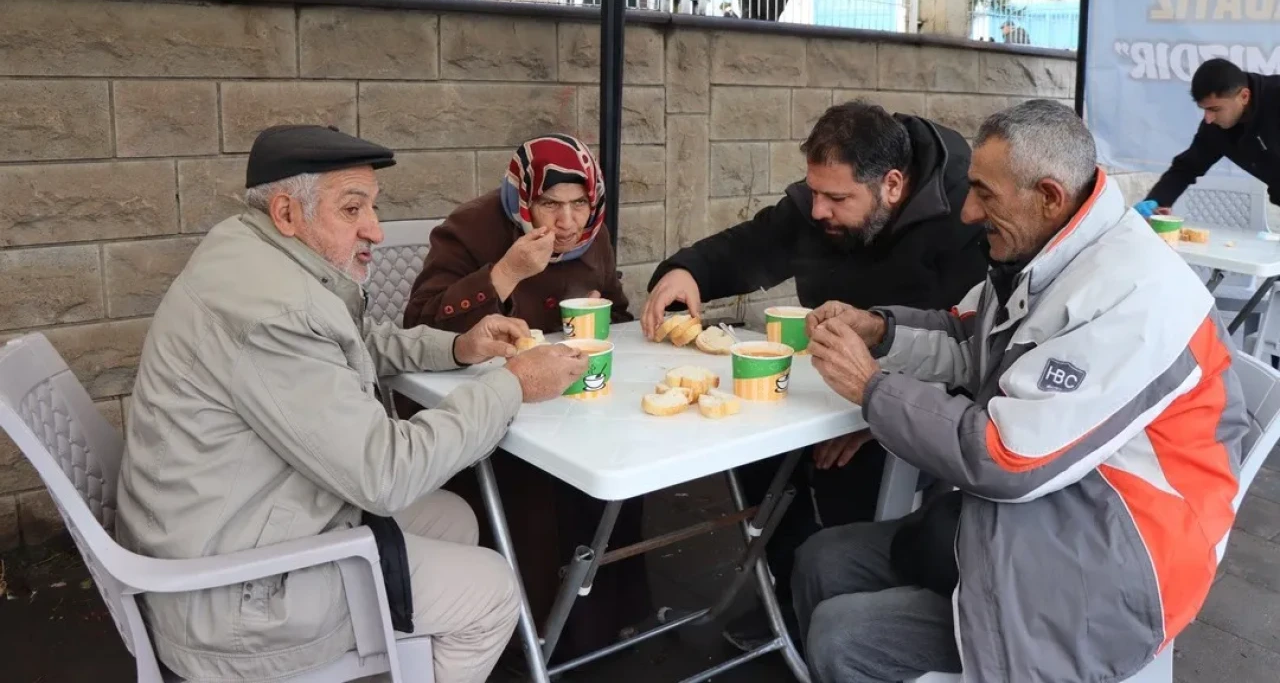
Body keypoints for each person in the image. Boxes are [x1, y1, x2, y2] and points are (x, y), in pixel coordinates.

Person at [116, 124, 590, 683]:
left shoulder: (250, 251)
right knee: (492, 592)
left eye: (372, 207)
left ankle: (402, 661)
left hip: (228, 518)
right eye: (351, 209)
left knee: (456, 516)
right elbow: (383, 473)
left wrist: (459, 346)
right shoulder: (277, 311)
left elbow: (349, 340)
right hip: (233, 601)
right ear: (287, 213)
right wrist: (511, 384)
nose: (376, 231)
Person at [797, 100, 1247, 683]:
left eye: (984, 193)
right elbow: (967, 338)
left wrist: (871, 388)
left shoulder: (1135, 293)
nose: (966, 211)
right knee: (820, 559)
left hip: (1114, 560)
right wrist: (880, 332)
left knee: (844, 637)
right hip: (1039, 511)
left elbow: (1007, 456)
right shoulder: (1049, 249)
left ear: (1050, 196)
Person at [641, 100, 986, 646]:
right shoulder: (820, 205)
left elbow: (969, 350)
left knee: (848, 473)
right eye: (814, 191)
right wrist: (688, 271)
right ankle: (789, 599)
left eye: (837, 198)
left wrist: (878, 415)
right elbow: (750, 245)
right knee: (755, 452)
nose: (818, 209)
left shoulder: (966, 220)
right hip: (822, 381)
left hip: (919, 403)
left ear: (892, 186)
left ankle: (853, 618)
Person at [403, 133, 649, 660]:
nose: (566, 223)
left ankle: (607, 625)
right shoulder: (470, 227)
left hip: (575, 401)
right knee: (535, 491)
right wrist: (506, 273)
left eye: (579, 204)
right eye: (549, 204)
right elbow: (418, 323)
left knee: (621, 467)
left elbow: (620, 314)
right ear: (522, 195)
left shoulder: (593, 235)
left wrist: (610, 312)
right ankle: (530, 644)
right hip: (492, 406)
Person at [1135, 57, 1280, 217]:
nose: (1208, 118)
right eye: (1204, 109)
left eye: (1215, 109)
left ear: (1244, 96)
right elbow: (1186, 168)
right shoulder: (1215, 128)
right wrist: (1157, 200)